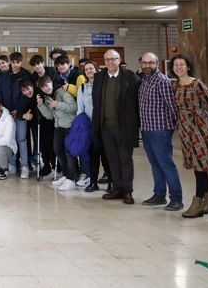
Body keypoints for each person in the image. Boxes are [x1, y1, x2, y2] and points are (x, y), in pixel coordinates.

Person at [170, 54, 208, 218]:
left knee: (200, 165)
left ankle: (198, 202)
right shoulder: (175, 85)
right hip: (185, 129)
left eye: (181, 65)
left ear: (188, 66)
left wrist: (204, 123)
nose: (178, 68)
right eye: (176, 65)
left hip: (199, 128)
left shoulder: (198, 84)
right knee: (197, 165)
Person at [92, 49, 140, 205]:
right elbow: (97, 103)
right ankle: (117, 188)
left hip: (124, 126)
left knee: (125, 159)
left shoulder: (130, 77)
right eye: (106, 60)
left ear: (119, 60)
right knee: (112, 159)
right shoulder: (99, 78)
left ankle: (128, 191)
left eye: (113, 59)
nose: (110, 62)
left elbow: (136, 103)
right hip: (105, 126)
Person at [138, 52, 183, 211]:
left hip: (160, 130)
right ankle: (159, 194)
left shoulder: (161, 81)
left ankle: (176, 199)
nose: (147, 66)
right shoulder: (144, 80)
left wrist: (173, 126)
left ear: (157, 64)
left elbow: (172, 106)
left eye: (151, 63)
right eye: (144, 63)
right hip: (147, 129)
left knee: (166, 164)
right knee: (155, 164)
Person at [36, 76, 78, 191]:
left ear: (51, 83)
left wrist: (58, 104)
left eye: (46, 85)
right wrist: (40, 105)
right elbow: (49, 116)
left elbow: (74, 107)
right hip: (58, 127)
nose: (45, 88)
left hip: (69, 126)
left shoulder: (63, 93)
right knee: (58, 151)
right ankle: (65, 175)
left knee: (69, 153)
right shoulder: (47, 97)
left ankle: (71, 179)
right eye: (43, 87)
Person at [75, 62, 110, 192]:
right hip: (89, 127)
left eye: (91, 68)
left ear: (97, 69)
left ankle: (111, 181)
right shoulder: (83, 88)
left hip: (104, 126)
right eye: (86, 69)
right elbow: (80, 108)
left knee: (106, 155)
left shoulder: (104, 85)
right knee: (92, 156)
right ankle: (93, 182)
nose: (89, 71)